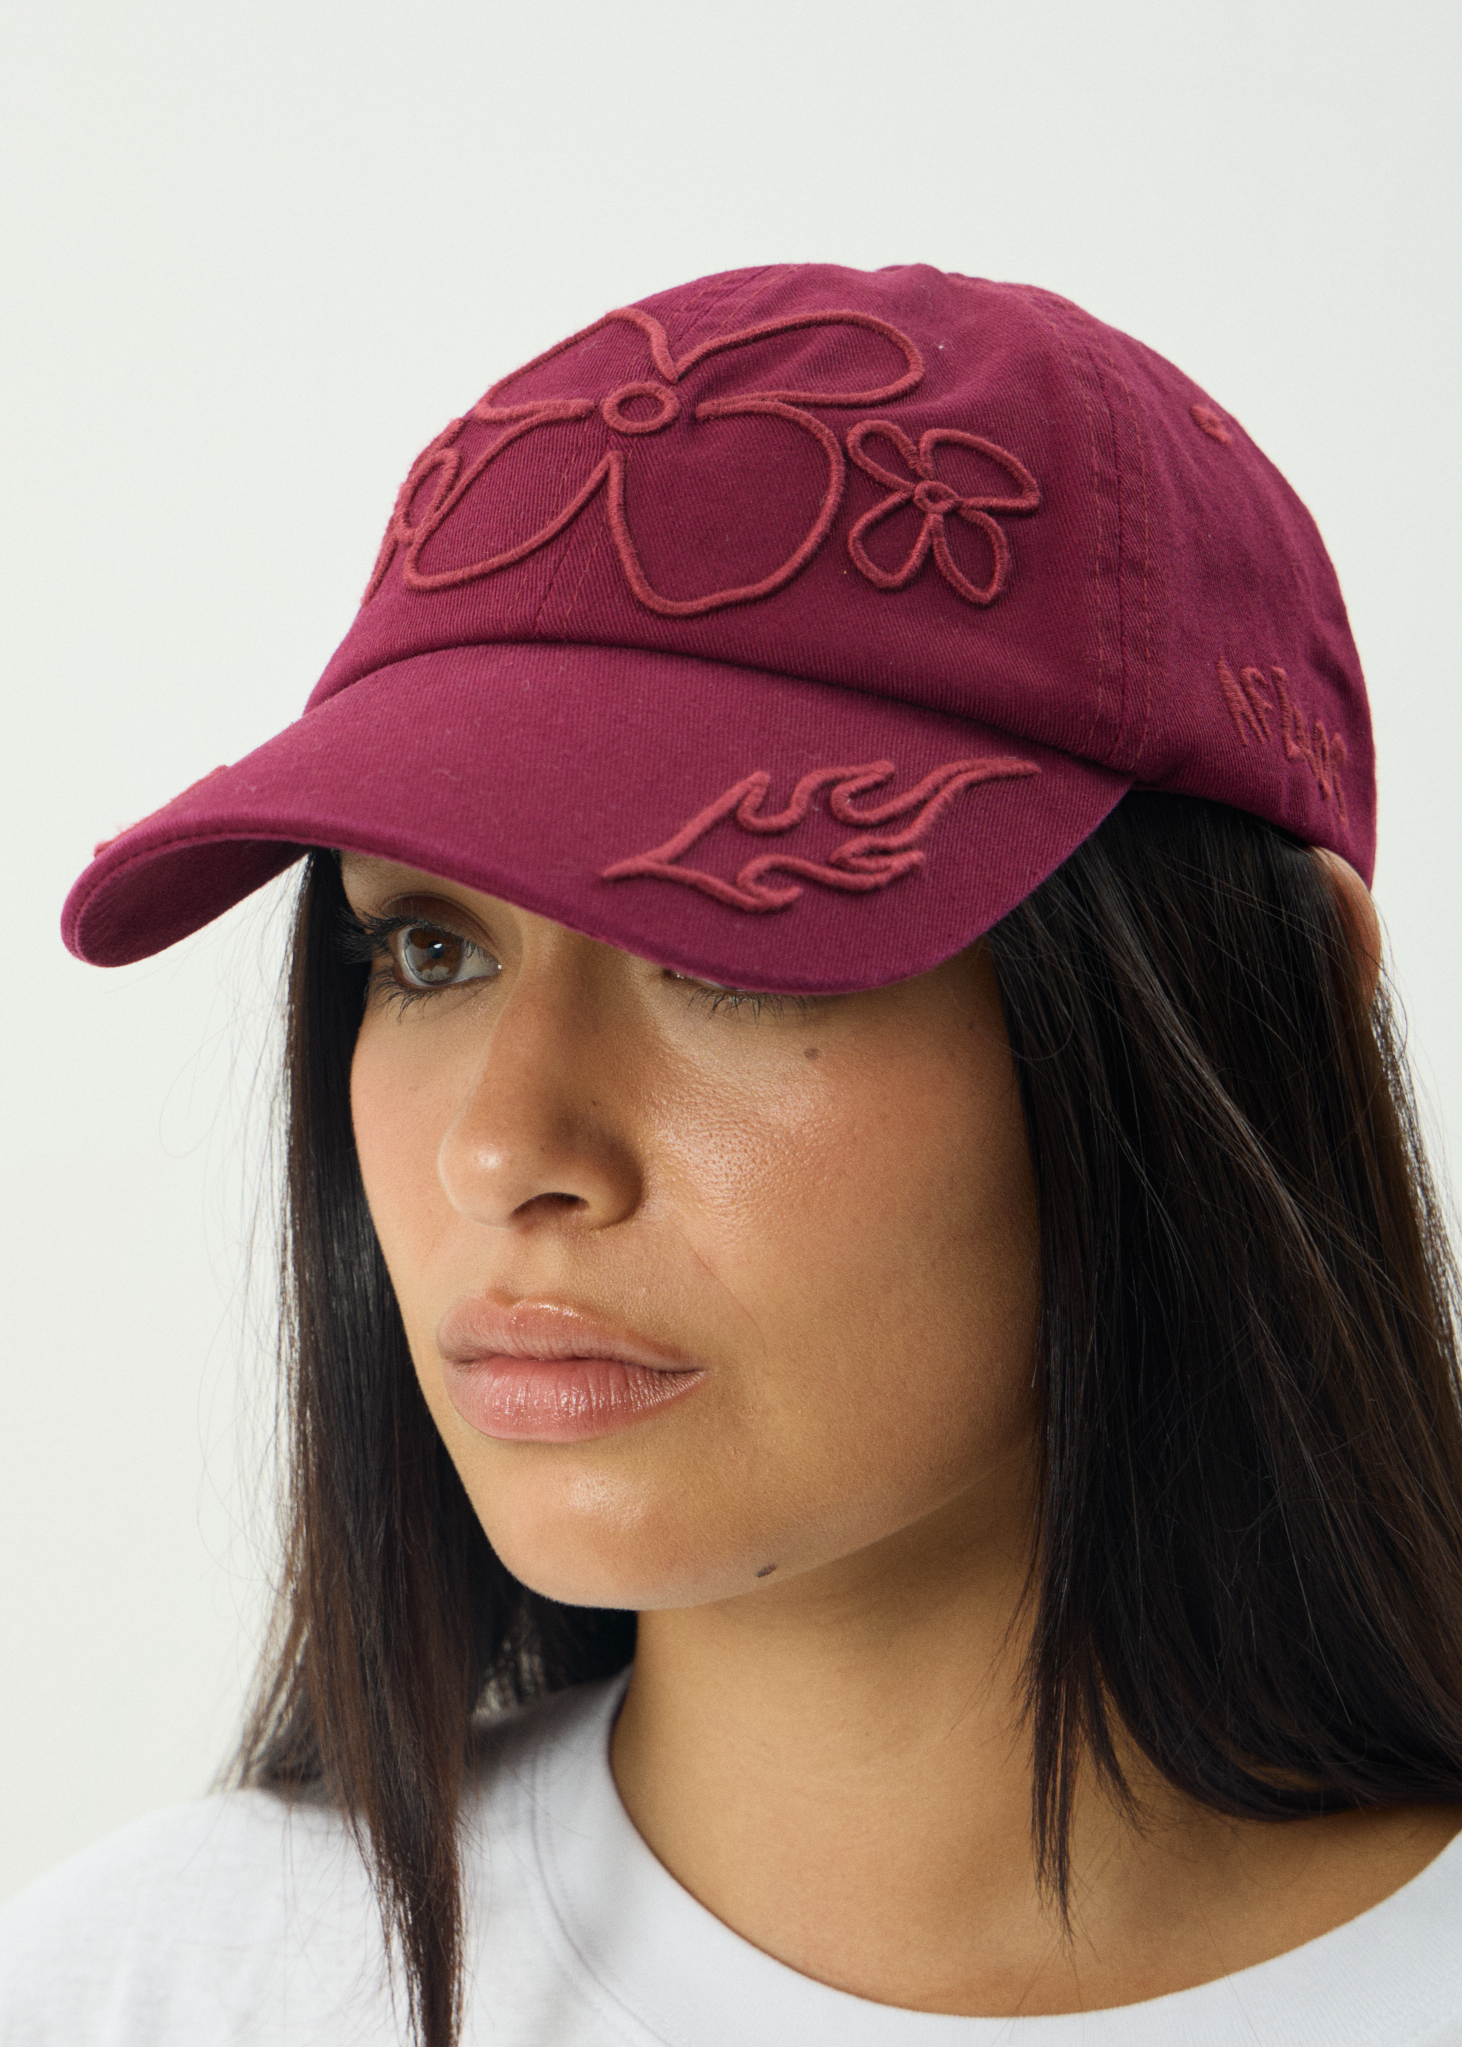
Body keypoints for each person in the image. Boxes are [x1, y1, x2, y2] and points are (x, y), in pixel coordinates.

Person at [5, 262, 1461, 2047]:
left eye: (730, 945)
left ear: (1265, 1002)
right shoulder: (137, 1996)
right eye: (431, 948)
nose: (503, 1150)